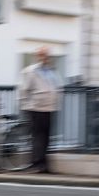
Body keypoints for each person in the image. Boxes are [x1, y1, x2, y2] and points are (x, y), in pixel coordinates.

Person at [18, 46, 61, 174]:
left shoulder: (52, 71)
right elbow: (24, 89)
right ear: (37, 56)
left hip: (49, 108)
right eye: (42, 55)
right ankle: (37, 164)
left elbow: (57, 87)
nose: (45, 58)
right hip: (35, 108)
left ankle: (44, 165)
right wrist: (26, 105)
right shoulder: (31, 71)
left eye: (47, 55)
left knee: (46, 138)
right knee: (38, 137)